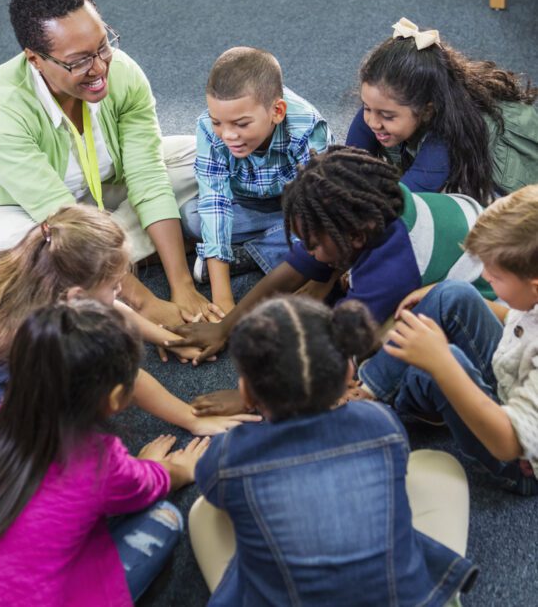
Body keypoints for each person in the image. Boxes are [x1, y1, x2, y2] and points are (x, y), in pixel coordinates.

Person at [0, 206, 259, 489]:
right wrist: (179, 442)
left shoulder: (27, 265)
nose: (121, 292)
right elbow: (124, 377)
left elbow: (109, 305)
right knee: (62, 481)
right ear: (77, 297)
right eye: (116, 283)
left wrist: (168, 338)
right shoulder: (59, 339)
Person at [0, 0, 215, 325]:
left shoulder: (121, 71)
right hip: (23, 212)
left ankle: (113, 259)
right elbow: (61, 217)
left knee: (205, 155)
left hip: (101, 193)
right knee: (28, 251)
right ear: (35, 59)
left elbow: (147, 175)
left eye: (103, 46)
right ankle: (125, 258)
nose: (100, 68)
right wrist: (148, 305)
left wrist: (182, 285)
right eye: (79, 61)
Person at [188, 296, 478, 606]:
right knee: (438, 464)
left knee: (204, 513)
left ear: (245, 391)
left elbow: (213, 490)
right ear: (348, 373)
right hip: (400, 598)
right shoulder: (381, 422)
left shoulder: (229, 453)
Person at [0, 300, 210, 606]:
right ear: (115, 398)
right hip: (28, 598)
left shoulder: (1, 418)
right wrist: (180, 469)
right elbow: (148, 485)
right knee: (167, 518)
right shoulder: (99, 460)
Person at [167, 147, 493, 384]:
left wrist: (251, 396)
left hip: (489, 306)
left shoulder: (390, 269)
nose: (307, 252)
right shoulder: (372, 205)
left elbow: (337, 349)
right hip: (465, 230)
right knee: (328, 281)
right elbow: (290, 273)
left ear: (354, 237)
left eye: (312, 244)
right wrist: (225, 327)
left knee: (379, 357)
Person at [358, 185, 538, 495]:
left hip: (520, 459)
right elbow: (518, 321)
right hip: (511, 377)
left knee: (438, 364)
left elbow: (509, 444)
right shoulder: (530, 301)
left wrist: (442, 363)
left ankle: (376, 416)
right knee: (453, 293)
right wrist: (437, 293)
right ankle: (368, 389)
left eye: (494, 276)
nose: (487, 279)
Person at [180, 46, 332, 314]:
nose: (227, 135)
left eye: (241, 124)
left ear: (278, 111)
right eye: (218, 122)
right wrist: (223, 300)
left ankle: (249, 254)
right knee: (192, 217)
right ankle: (266, 250)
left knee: (325, 234)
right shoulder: (207, 128)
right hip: (246, 204)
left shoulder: (307, 127)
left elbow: (318, 210)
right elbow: (215, 201)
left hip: (296, 207)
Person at [346, 17, 538, 206]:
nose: (373, 121)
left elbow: (398, 203)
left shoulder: (446, 138)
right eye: (367, 107)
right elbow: (348, 163)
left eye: (387, 116)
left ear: (427, 110)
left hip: (511, 178)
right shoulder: (383, 108)